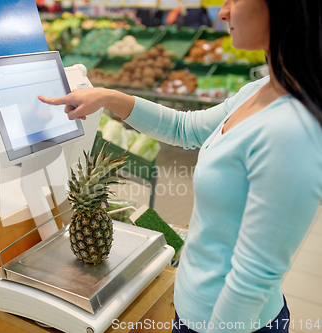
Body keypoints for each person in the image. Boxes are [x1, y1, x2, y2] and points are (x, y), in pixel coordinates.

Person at [38, 0, 322, 332]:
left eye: (234, 0)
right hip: (192, 310)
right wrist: (110, 98)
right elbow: (184, 129)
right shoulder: (258, 90)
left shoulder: (293, 129)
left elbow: (255, 276)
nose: (222, 12)